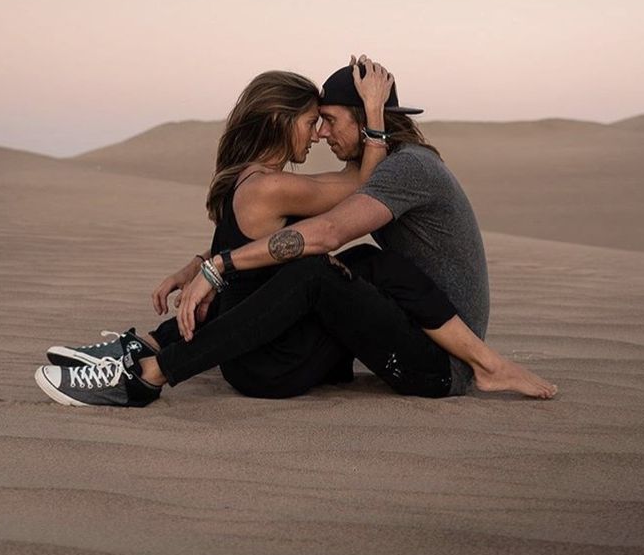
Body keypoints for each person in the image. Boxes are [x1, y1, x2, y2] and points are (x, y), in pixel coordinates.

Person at [35, 58, 557, 405]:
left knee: (335, 266)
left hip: (444, 363)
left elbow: (329, 227)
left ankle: (148, 371)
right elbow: (298, 233)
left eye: (329, 120)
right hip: (401, 337)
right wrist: (207, 265)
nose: (324, 133)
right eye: (316, 122)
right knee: (345, 266)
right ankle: (142, 353)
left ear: (361, 116)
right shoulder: (291, 178)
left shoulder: (408, 168)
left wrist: (214, 267)